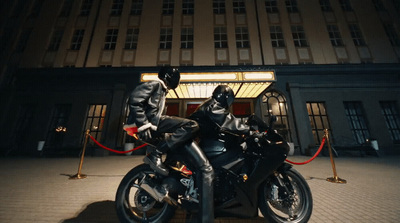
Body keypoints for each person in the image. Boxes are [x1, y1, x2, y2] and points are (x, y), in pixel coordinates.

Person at [124, 66, 214, 223]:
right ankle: (157, 154)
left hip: (152, 123)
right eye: (176, 76)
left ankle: (160, 184)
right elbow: (135, 99)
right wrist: (143, 124)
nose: (177, 80)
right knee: (191, 126)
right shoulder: (155, 84)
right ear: (168, 76)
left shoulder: (162, 90)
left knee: (175, 142)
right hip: (149, 124)